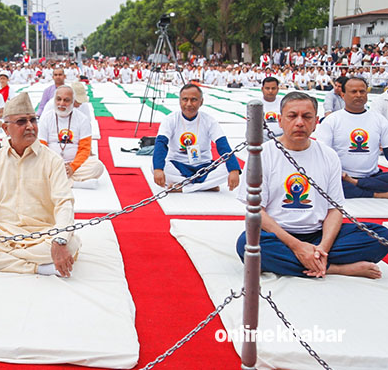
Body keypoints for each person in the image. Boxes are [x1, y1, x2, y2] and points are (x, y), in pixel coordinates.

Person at [235, 92, 388, 278]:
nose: (299, 122)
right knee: (247, 244)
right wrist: (297, 246)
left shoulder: (328, 155)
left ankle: (312, 259)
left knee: (380, 236)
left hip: (318, 233)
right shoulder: (262, 155)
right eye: (292, 116)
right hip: (277, 235)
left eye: (306, 117)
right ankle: (336, 268)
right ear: (280, 120)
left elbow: (335, 209)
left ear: (316, 122)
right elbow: (256, 211)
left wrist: (323, 246)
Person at [0, 92, 79, 277]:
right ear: (6, 128)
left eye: (33, 120)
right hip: (0, 233)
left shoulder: (53, 160)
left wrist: (58, 241)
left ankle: (6, 261)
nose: (30, 126)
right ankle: (37, 268)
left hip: (41, 234)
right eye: (21, 122)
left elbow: (64, 203)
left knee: (71, 244)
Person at [152, 84, 241, 192]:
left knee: (230, 169)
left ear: (201, 102)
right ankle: (206, 186)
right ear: (180, 101)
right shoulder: (170, 120)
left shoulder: (209, 120)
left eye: (194, 100)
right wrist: (158, 169)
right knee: (155, 166)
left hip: (204, 166)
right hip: (178, 165)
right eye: (185, 99)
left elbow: (222, 145)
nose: (189, 104)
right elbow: (161, 143)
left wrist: (234, 170)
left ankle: (182, 187)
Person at [315, 76, 388, 199]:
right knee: (323, 181)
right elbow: (322, 156)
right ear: (343, 95)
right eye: (354, 92)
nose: (358, 95)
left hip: (372, 176)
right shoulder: (331, 120)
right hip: (342, 177)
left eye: (362, 91)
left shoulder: (380, 120)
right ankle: (375, 194)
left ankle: (357, 184)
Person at [38, 85, 104, 185]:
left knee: (97, 167)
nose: (61, 103)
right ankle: (71, 182)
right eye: (58, 99)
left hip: (74, 163)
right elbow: (41, 146)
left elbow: (85, 148)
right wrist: (53, 164)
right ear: (54, 100)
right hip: (50, 163)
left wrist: (73, 167)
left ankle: (56, 180)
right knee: (32, 165)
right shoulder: (46, 118)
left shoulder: (82, 119)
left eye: (66, 100)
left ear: (73, 102)